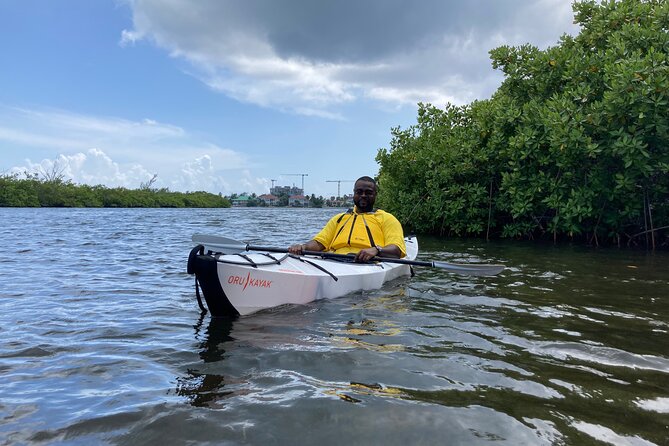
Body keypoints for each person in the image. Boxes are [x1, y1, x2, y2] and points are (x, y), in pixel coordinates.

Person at [288, 176, 406, 262]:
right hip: (334, 261)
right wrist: (303, 247)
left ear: (375, 195)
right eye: (359, 192)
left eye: (368, 192)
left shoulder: (387, 219)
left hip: (368, 263)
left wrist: (377, 250)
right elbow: (319, 243)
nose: (363, 195)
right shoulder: (339, 219)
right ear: (354, 193)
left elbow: (396, 250)